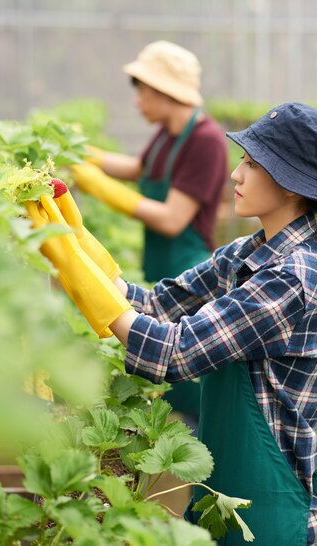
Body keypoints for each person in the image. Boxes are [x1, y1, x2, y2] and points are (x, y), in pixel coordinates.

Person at [27, 102, 317, 545]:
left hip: (270, 510)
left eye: (252, 164)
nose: (236, 174)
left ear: (291, 184)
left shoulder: (295, 277)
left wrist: (69, 266)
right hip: (220, 495)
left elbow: (170, 353)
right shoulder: (247, 254)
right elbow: (155, 303)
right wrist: (74, 238)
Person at [72, 40, 228, 424]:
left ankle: (204, 468)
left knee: (186, 378)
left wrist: (99, 187)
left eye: (141, 89)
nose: (137, 99)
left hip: (191, 269)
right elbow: (138, 169)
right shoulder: (168, 133)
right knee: (163, 368)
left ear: (164, 91)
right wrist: (81, 154)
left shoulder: (205, 141)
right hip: (162, 265)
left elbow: (173, 218)